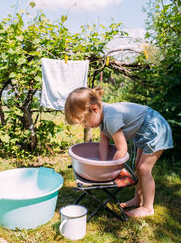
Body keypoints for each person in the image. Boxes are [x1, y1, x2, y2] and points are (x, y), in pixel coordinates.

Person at [64, 86, 173, 218]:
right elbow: (103, 144)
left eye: (84, 121)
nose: (85, 126)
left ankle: (148, 208)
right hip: (142, 131)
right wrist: (101, 166)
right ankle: (137, 199)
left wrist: (109, 168)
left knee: (143, 168)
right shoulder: (101, 116)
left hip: (155, 128)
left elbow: (122, 149)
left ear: (94, 109)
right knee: (138, 167)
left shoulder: (111, 117)